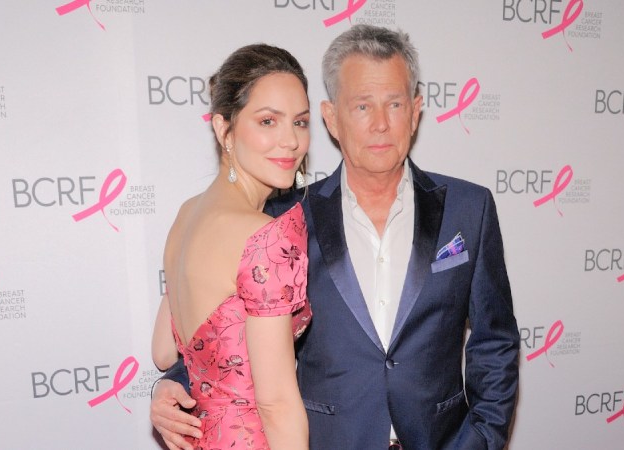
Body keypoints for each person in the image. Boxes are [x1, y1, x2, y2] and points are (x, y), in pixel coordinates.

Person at [151, 25, 519, 450]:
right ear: (331, 118)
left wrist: (483, 440)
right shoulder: (282, 220)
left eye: (395, 104)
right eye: (362, 106)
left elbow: (496, 341)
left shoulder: (469, 208)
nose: (381, 124)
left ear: (416, 111)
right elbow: (224, 330)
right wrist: (172, 387)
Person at [150, 43, 313, 450]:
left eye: (300, 122)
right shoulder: (264, 234)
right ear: (224, 128)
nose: (290, 141)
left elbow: (164, 352)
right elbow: (276, 403)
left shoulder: (187, 215)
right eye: (268, 121)